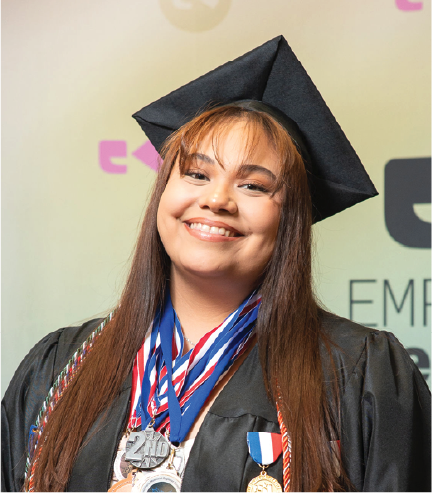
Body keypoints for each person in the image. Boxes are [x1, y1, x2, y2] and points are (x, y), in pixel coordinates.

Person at [0, 35, 431, 493]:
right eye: (197, 174)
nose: (217, 199)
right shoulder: (61, 367)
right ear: (164, 192)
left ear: (290, 218)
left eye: (254, 186)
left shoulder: (359, 374)